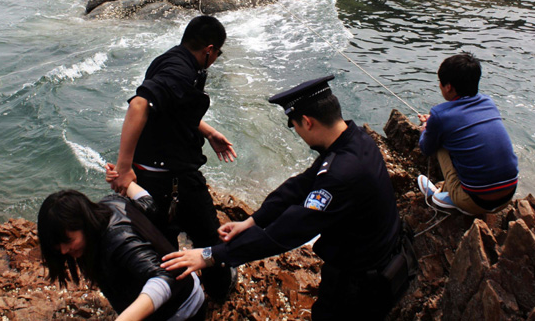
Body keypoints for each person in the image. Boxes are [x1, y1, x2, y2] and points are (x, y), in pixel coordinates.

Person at [160, 76, 416, 320]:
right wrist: (253, 221)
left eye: (294, 126)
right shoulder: (355, 139)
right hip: (379, 258)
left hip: (361, 285)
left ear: (307, 121)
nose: (298, 133)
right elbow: (301, 184)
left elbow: (286, 233)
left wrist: (211, 255)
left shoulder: (341, 175)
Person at [108, 15, 237, 301]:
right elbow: (140, 104)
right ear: (209, 49)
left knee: (159, 243)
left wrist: (208, 131)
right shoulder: (181, 71)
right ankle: (218, 290)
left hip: (150, 173)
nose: (215, 59)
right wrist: (123, 168)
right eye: (218, 53)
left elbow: (170, 109)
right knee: (209, 239)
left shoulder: (168, 60)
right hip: (173, 177)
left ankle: (165, 298)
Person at [37, 180, 205, 321]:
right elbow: (149, 204)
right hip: (182, 291)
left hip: (182, 308)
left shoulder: (118, 238)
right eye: (58, 246)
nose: (64, 250)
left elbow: (163, 277)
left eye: (68, 241)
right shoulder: (110, 203)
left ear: (84, 223)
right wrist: (127, 182)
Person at [416, 52, 519, 216]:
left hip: (477, 203)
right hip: (507, 196)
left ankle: (448, 196)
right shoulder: (488, 103)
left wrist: (426, 128)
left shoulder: (439, 115)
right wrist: (435, 123)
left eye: (441, 83)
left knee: (440, 143)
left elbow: (426, 148)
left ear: (448, 87)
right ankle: (454, 191)